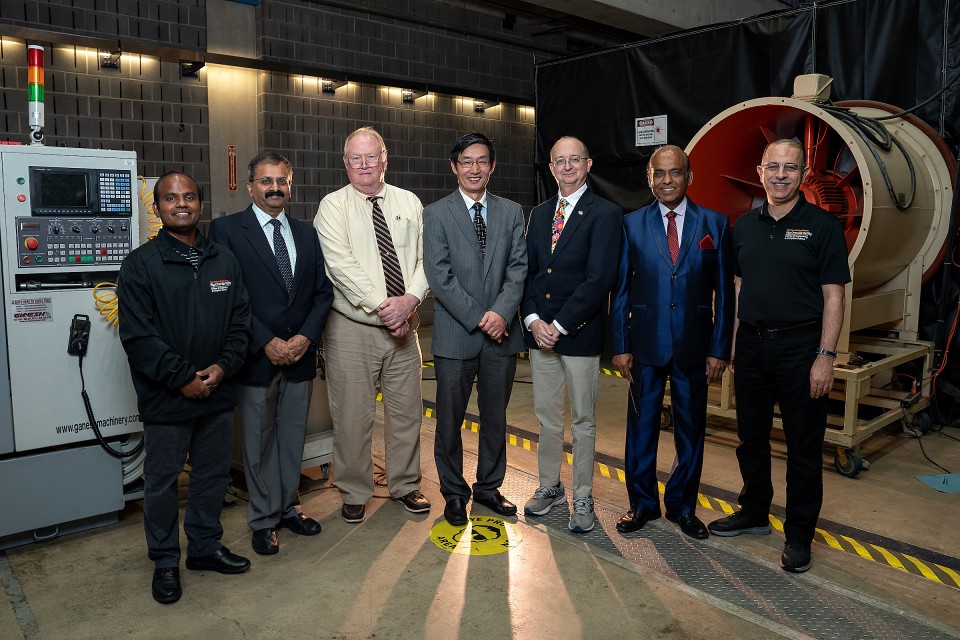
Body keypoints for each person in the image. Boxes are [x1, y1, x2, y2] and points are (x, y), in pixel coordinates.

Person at [707, 139, 850, 573]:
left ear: (803, 174)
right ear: (760, 170)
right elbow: (733, 288)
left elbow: (834, 296)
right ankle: (754, 511)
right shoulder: (744, 226)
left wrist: (825, 356)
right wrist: (729, 345)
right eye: (774, 167)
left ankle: (800, 535)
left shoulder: (823, 227)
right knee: (750, 437)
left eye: (790, 167)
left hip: (801, 349)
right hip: (751, 346)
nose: (781, 175)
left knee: (804, 448)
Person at [118, 171, 252, 604]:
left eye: (189, 196)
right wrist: (182, 378)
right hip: (166, 399)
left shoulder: (224, 261)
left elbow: (240, 324)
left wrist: (222, 369)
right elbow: (139, 337)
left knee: (212, 476)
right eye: (171, 198)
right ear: (156, 209)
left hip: (217, 394)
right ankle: (164, 562)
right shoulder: (140, 265)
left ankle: (205, 547)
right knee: (162, 483)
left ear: (200, 204)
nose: (181, 204)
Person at [209, 151, 333, 556]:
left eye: (282, 180)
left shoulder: (306, 233)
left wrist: (305, 339)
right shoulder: (227, 231)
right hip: (256, 356)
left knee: (291, 437)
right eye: (266, 181)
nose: (275, 188)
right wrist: (265, 340)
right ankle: (263, 518)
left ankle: (288, 507)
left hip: (298, 357)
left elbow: (322, 294)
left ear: (290, 185)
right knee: (258, 441)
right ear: (250, 187)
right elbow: (230, 294)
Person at [610, 145, 734, 539]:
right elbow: (621, 292)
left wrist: (719, 348)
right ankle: (642, 505)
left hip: (695, 347)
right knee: (641, 429)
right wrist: (620, 344)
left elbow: (725, 294)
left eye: (675, 173)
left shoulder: (715, 223)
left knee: (691, 430)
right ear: (649, 178)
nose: (667, 180)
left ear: (689, 177)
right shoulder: (631, 225)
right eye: (659, 173)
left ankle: (682, 506)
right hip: (644, 347)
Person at [314, 127, 431, 523]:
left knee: (406, 413)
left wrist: (410, 301)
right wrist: (387, 308)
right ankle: (353, 489)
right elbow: (339, 265)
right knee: (352, 415)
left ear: (385, 158)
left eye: (371, 156)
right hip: (353, 328)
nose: (364, 165)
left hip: (406, 326)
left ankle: (405, 484)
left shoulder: (409, 202)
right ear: (345, 163)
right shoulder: (333, 206)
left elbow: (424, 261)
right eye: (355, 158)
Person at [423, 132, 527, 526]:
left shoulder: (511, 212)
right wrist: (482, 318)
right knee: (449, 418)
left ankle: (488, 488)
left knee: (495, 418)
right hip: (456, 335)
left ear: (492, 166)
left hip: (501, 337)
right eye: (466, 161)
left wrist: (501, 313)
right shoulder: (436, 214)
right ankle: (453, 492)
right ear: (454, 167)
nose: (474, 168)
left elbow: (519, 268)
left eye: (482, 161)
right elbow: (439, 275)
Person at [521, 135, 623, 533]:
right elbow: (527, 272)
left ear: (588, 164)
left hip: (577, 335)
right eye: (559, 160)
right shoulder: (540, 213)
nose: (566, 166)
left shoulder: (606, 214)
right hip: (540, 334)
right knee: (548, 420)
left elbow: (599, 280)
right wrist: (532, 320)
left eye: (574, 159)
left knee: (582, 420)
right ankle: (550, 488)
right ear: (550, 167)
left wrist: (559, 326)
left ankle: (583, 495)